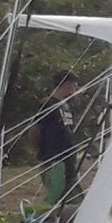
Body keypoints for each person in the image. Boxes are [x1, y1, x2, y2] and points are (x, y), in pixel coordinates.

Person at [33, 74, 80, 207]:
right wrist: (42, 154)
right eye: (74, 87)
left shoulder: (66, 106)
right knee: (56, 193)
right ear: (66, 85)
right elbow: (35, 130)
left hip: (68, 158)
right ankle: (40, 216)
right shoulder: (47, 105)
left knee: (69, 193)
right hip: (53, 158)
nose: (74, 91)